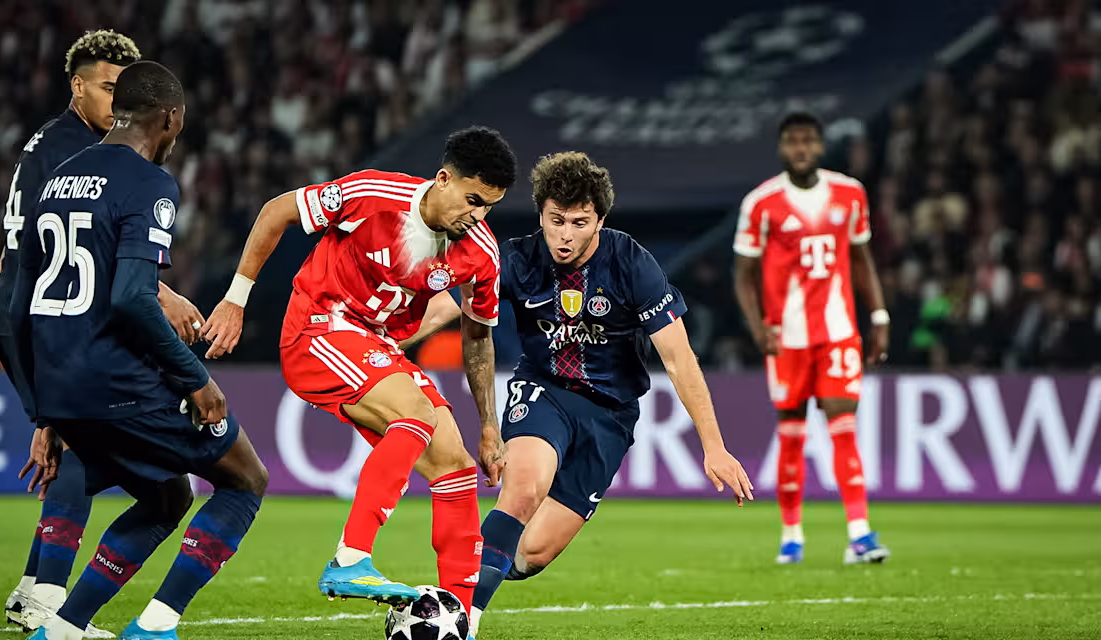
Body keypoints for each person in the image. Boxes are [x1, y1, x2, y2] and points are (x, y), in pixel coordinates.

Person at [427, 151, 752, 637]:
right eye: (556, 220)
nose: (565, 235)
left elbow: (679, 358)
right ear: (540, 213)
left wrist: (714, 446)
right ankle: (462, 622)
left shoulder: (630, 262)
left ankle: (479, 565)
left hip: (609, 415)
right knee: (523, 489)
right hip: (543, 390)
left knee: (533, 553)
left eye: (579, 223)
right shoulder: (514, 258)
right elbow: (440, 308)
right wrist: (379, 334)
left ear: (600, 219)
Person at [199, 127, 517, 610]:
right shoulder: (372, 194)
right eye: (473, 200)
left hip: (375, 346)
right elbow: (277, 211)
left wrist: (490, 426)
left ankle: (460, 613)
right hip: (316, 329)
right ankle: (351, 560)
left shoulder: (480, 253)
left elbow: (478, 336)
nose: (477, 216)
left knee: (454, 462)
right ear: (443, 178)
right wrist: (234, 301)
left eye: (489, 206)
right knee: (414, 413)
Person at [9, 61, 269, 640]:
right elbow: (131, 298)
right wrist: (194, 378)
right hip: (116, 383)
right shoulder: (150, 183)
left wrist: (44, 413)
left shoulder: (58, 179)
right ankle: (154, 627)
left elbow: (17, 306)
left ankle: (63, 625)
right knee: (245, 478)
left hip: (60, 384)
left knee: (167, 494)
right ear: (170, 118)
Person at [0, 30, 204, 637]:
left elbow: (26, 239)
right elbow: (78, 256)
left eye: (123, 89)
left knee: (74, 440)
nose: (116, 98)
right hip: (44, 313)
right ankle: (47, 600)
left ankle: (33, 589)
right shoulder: (74, 150)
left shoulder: (52, 144)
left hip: (24, 305)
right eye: (106, 87)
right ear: (77, 86)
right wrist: (166, 292)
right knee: (73, 444)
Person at [732, 112, 891, 564]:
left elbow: (862, 260)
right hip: (787, 339)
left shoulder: (850, 193)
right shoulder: (761, 203)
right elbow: (742, 274)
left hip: (838, 332)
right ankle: (791, 537)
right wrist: (758, 325)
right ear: (782, 148)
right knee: (792, 437)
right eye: (792, 141)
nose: (800, 149)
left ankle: (859, 534)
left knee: (844, 430)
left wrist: (878, 314)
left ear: (820, 146)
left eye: (807, 141)